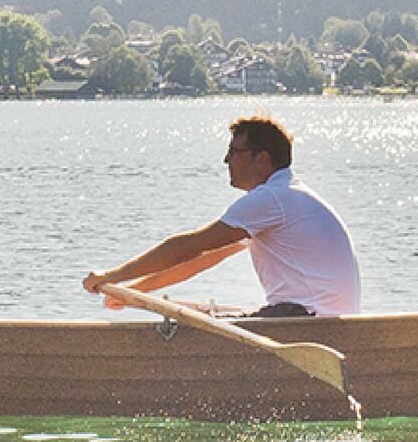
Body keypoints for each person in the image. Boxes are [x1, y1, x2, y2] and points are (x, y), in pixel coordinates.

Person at [84, 113, 361, 318]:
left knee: (186, 336)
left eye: (233, 152)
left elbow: (189, 247)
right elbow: (203, 259)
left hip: (302, 318)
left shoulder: (270, 199)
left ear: (261, 158)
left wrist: (113, 275)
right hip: (323, 321)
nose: (225, 161)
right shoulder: (286, 197)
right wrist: (136, 293)